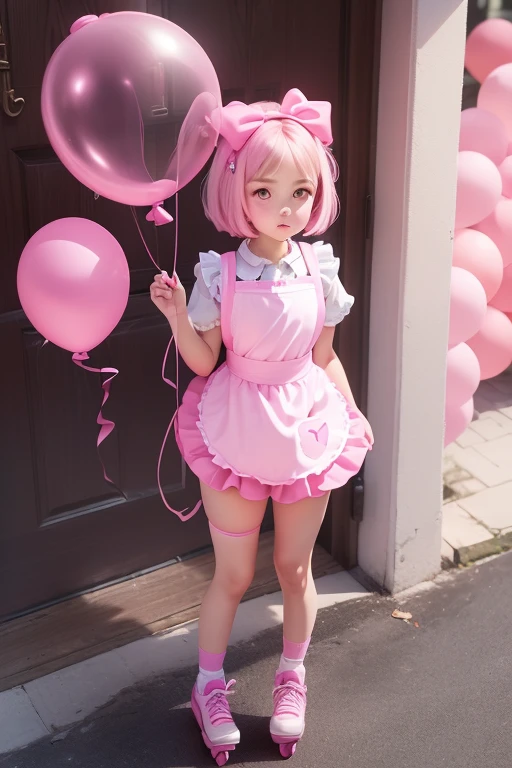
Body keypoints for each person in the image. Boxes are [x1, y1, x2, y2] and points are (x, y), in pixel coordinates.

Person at [150, 88, 373, 765]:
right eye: (267, 190)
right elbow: (202, 360)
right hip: (239, 424)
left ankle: (291, 676)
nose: (286, 207)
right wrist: (177, 316)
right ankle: (208, 683)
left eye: (301, 191)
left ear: (317, 195)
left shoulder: (319, 266)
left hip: (305, 422)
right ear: (236, 190)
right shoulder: (219, 272)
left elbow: (325, 355)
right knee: (235, 574)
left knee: (295, 564)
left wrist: (350, 414)